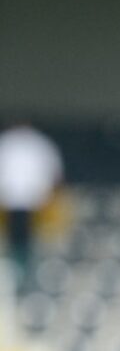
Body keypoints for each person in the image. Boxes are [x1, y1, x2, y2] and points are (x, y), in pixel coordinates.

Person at [0, 122, 63, 293]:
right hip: (10, 204)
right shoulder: (6, 143)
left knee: (31, 241)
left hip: (35, 204)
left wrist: (47, 197)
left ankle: (27, 275)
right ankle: (17, 274)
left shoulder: (39, 144)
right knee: (15, 241)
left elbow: (54, 173)